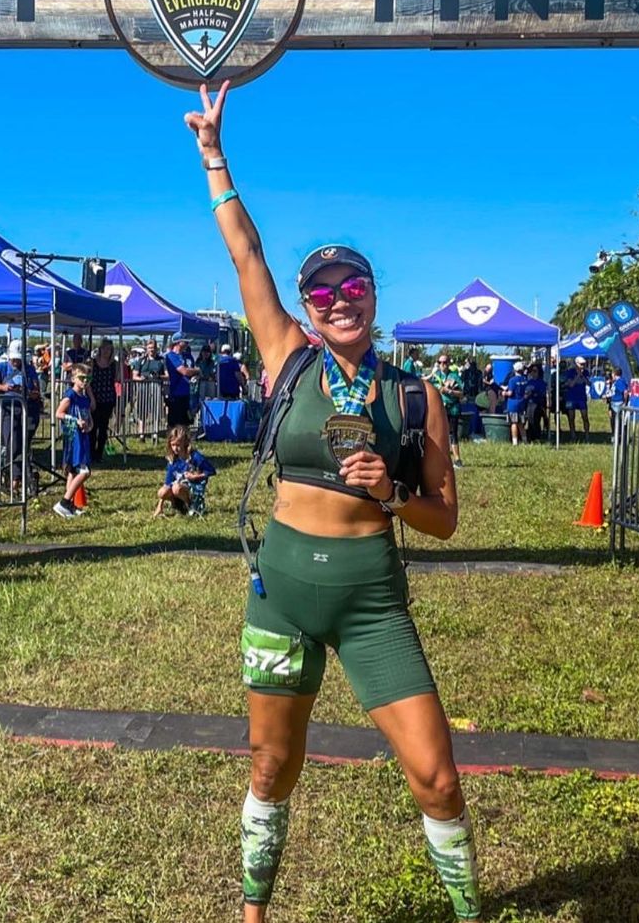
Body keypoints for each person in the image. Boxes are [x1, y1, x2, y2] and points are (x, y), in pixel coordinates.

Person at [184, 81, 480, 922]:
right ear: (308, 307)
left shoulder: (416, 396)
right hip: (282, 593)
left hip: (371, 601)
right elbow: (247, 256)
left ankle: (470, 912)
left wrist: (392, 494)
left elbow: (444, 518)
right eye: (322, 292)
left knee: (437, 776)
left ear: (374, 298)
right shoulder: (288, 357)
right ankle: (253, 913)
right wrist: (214, 158)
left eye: (354, 288)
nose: (338, 300)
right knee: (271, 767)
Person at [0, 339, 42, 494]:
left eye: (18, 360)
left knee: (24, 444)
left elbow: (36, 391)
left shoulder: (29, 369)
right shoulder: (1, 367)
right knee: (12, 444)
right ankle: (13, 479)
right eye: (14, 359)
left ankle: (22, 478)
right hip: (9, 410)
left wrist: (29, 393)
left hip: (27, 409)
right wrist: (3, 387)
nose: (16, 362)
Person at [53, 366, 93, 518]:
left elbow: (89, 417)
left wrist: (89, 425)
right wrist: (75, 420)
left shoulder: (85, 398)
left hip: (83, 436)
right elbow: (59, 413)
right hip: (73, 436)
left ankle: (69, 504)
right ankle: (63, 502)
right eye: (82, 378)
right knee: (85, 472)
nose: (85, 381)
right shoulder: (70, 395)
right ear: (73, 379)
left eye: (88, 379)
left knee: (73, 471)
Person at [153, 424, 216, 517]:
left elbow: (211, 471)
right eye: (173, 445)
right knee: (162, 492)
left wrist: (195, 476)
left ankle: (192, 506)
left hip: (193, 489)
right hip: (177, 489)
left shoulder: (195, 456)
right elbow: (167, 483)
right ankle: (178, 506)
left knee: (176, 488)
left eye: (178, 445)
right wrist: (160, 506)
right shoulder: (173, 460)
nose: (175, 448)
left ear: (185, 443)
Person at [429, 354, 465, 468]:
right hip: (439, 408)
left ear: (449, 363)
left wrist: (449, 391)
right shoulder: (435, 376)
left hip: (453, 408)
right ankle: (440, 458)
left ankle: (457, 459)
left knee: (452, 433)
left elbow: (461, 394)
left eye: (444, 362)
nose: (442, 365)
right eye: (440, 362)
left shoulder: (454, 376)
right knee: (438, 433)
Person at [89, 338, 119, 461]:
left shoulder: (113, 365)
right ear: (100, 349)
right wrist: (91, 398)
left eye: (109, 349)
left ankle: (99, 454)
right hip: (94, 398)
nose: (107, 351)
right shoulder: (93, 363)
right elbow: (88, 382)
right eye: (105, 348)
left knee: (103, 428)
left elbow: (117, 378)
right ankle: (90, 452)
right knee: (92, 427)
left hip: (108, 399)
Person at [165, 334, 200, 427]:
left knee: (186, 422)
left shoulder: (188, 356)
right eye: (185, 342)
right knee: (175, 423)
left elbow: (191, 369)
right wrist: (197, 371)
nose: (188, 344)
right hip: (176, 394)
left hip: (189, 392)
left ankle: (184, 436)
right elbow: (184, 371)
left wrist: (195, 373)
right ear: (178, 342)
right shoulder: (171, 356)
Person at [562, 355, 591, 442]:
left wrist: (582, 376)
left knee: (585, 416)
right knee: (571, 417)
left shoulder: (586, 372)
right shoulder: (570, 372)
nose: (583, 366)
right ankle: (573, 435)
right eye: (581, 364)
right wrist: (578, 375)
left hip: (581, 397)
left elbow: (589, 383)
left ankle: (587, 435)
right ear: (576, 364)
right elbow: (571, 384)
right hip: (571, 397)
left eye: (584, 364)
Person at [504, 360, 529, 445]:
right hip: (521, 404)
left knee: (514, 423)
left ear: (515, 370)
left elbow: (510, 393)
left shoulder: (512, 380)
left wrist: (504, 393)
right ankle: (525, 441)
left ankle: (515, 442)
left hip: (513, 404)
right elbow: (527, 392)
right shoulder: (525, 379)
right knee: (521, 424)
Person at [608, 366, 628, 435]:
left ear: (614, 374)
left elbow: (625, 391)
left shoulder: (620, 382)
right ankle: (614, 434)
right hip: (613, 403)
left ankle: (618, 435)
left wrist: (624, 402)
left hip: (618, 404)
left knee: (617, 421)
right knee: (613, 420)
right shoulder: (615, 382)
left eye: (612, 373)